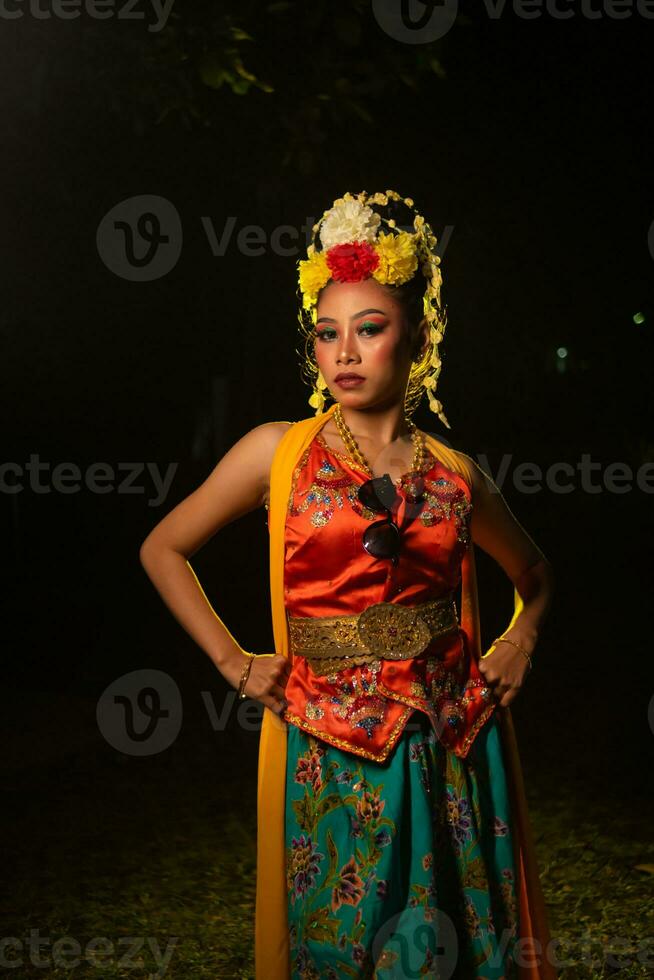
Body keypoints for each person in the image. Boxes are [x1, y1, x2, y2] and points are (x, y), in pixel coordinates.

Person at [140, 189, 557, 979]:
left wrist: (517, 640)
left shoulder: (456, 476)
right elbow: (164, 547)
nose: (345, 353)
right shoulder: (277, 452)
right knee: (343, 944)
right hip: (329, 746)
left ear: (419, 336)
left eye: (369, 330)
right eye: (328, 334)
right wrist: (236, 663)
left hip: (452, 742)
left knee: (453, 952)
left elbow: (534, 575)